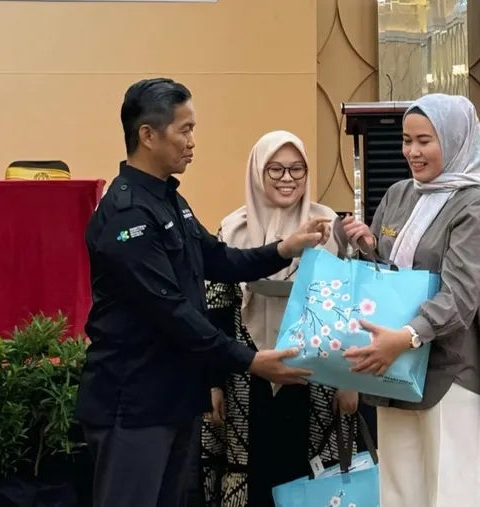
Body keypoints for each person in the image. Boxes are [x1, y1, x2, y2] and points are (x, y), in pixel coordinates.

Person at [76, 78, 330, 507]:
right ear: (148, 135)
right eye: (185, 130)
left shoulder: (170, 200)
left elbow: (219, 259)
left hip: (174, 398)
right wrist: (250, 361)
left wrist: (285, 249)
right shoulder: (127, 214)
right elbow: (170, 310)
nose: (193, 142)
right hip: (134, 403)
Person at [341, 94, 480, 507]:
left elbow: (461, 295)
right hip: (395, 366)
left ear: (455, 140)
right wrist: (366, 248)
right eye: (406, 140)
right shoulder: (400, 195)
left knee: (451, 491)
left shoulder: (475, 204)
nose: (412, 152)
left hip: (449, 370)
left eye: (425, 141)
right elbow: (387, 276)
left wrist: (407, 336)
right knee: (400, 489)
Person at [200, 131, 359, 507]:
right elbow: (217, 309)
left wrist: (349, 381)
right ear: (258, 173)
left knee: (309, 475)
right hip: (246, 373)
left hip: (316, 375)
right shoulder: (232, 229)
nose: (287, 178)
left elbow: (349, 310)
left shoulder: (329, 226)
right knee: (253, 474)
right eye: (275, 169)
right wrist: (213, 383)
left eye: (296, 169)